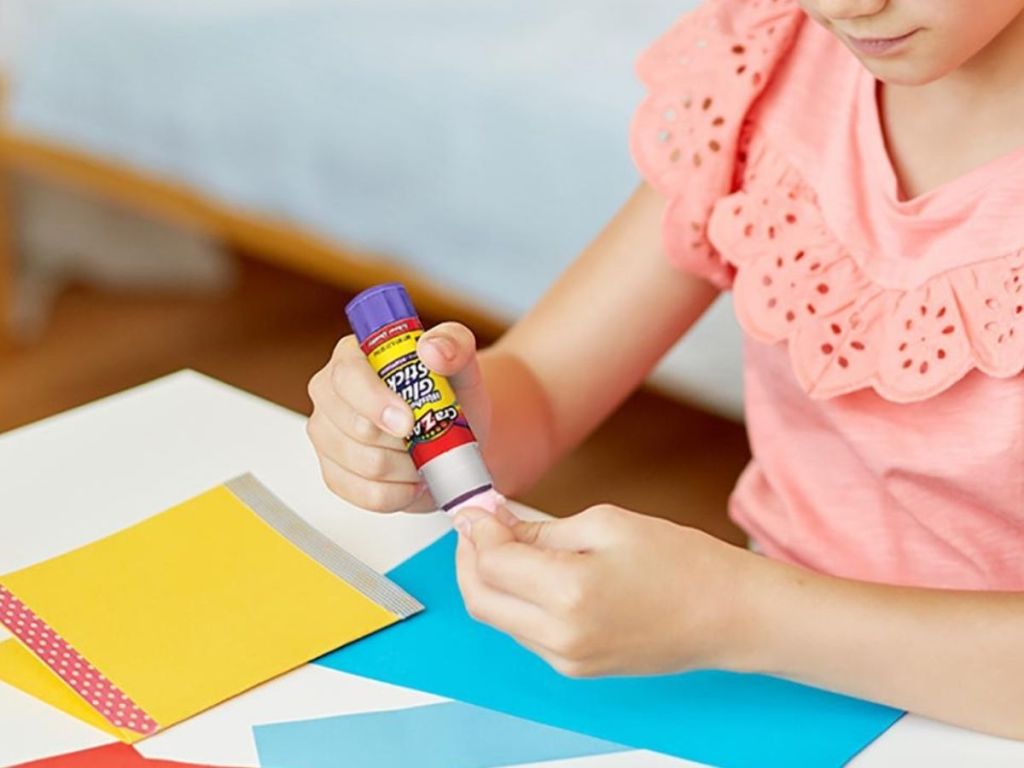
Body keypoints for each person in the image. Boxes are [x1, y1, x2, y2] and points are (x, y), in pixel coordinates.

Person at [306, 0, 1024, 738]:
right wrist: (447, 424)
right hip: (779, 691)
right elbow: (545, 389)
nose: (843, 5)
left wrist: (739, 612)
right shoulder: (778, 61)